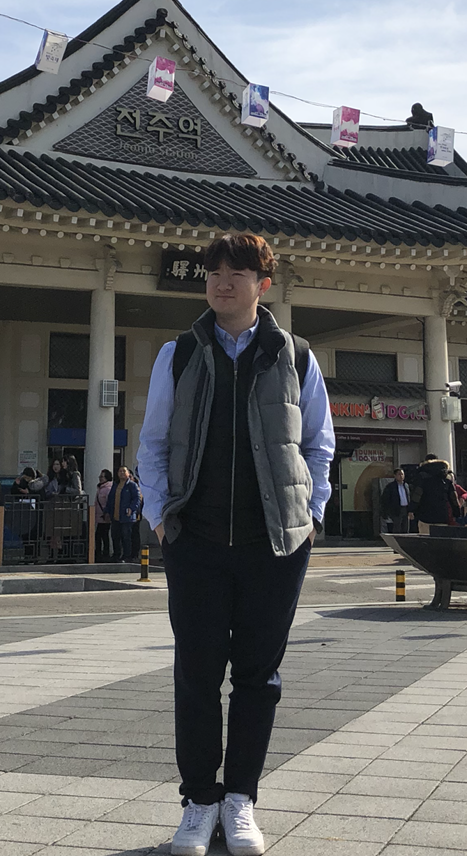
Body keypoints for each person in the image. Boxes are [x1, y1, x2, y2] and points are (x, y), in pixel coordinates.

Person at [139, 233, 336, 856]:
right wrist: (159, 516)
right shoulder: (177, 354)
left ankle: (240, 798)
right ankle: (199, 801)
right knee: (197, 674)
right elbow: (153, 442)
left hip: (274, 543)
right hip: (194, 539)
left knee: (258, 676)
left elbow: (318, 444)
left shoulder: (294, 356)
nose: (222, 282)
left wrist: (311, 515)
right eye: (214, 273)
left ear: (262, 284)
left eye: (237, 272)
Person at [412, 457, 461, 527]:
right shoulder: (447, 481)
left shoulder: (422, 479)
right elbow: (453, 499)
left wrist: (411, 510)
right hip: (442, 515)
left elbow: (416, 496)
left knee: (424, 533)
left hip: (424, 515)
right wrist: (457, 513)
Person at [109, 465, 143, 564]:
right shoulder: (115, 485)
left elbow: (137, 499)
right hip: (115, 516)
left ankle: (127, 556)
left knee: (126, 536)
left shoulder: (132, 485)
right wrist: (107, 511)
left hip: (127, 517)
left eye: (124, 471)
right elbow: (110, 499)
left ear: (128, 473)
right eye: (120, 471)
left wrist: (132, 509)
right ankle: (116, 554)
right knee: (115, 536)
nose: (122, 473)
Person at [379, 469, 413, 535]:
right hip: (396, 509)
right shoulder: (391, 486)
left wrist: (410, 510)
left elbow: (409, 497)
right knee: (397, 528)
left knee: (405, 528)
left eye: (402, 474)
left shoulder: (406, 485)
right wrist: (386, 511)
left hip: (406, 509)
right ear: (395, 476)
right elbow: (385, 499)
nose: (401, 476)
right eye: (399, 474)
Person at [95, 469, 115, 562]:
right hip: (99, 516)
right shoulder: (100, 488)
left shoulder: (108, 489)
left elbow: (109, 503)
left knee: (103, 535)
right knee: (100, 535)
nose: (100, 478)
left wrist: (107, 513)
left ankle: (104, 553)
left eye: (102, 476)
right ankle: (100, 552)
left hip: (105, 516)